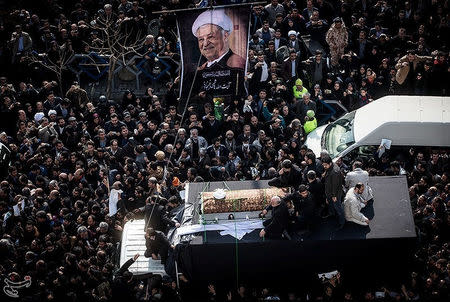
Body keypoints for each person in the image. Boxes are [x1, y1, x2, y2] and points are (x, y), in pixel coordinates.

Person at [322, 155, 345, 229]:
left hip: (335, 194)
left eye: (325, 165)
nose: (324, 166)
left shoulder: (334, 172)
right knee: (331, 205)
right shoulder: (330, 167)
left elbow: (335, 186)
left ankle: (342, 222)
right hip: (329, 192)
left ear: (330, 163)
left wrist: (334, 196)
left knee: (338, 208)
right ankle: (332, 214)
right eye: (323, 165)